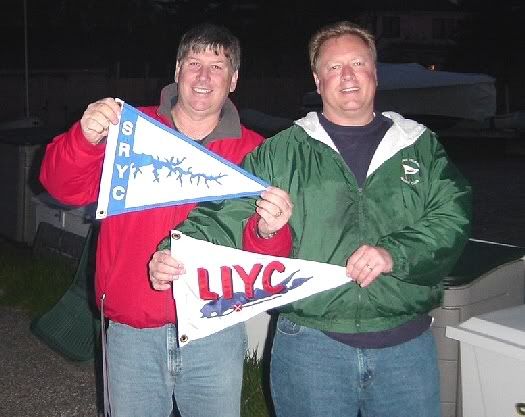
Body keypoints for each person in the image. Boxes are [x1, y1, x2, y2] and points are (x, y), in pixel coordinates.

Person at [149, 21, 472, 417]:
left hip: (405, 348)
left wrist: (395, 253)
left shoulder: (420, 146)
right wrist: (174, 251)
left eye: (358, 63)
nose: (348, 76)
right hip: (310, 347)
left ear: (375, 73)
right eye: (334, 67)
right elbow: (225, 212)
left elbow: (452, 216)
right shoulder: (283, 151)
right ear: (318, 81)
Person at [40, 23, 268, 417]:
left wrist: (269, 229)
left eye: (217, 67)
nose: (203, 76)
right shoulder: (128, 131)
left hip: (215, 332)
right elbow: (61, 186)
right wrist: (84, 137)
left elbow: (265, 249)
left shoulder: (257, 152)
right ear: (177, 70)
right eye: (193, 63)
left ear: (233, 80)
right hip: (132, 331)